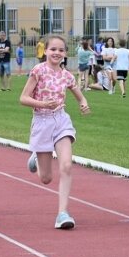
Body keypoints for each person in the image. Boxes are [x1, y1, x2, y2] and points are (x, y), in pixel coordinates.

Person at [21, 35, 89, 230]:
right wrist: (42, 104)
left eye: (60, 50)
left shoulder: (67, 75)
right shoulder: (38, 71)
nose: (57, 53)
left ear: (65, 53)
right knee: (46, 179)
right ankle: (35, 157)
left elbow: (79, 96)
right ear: (45, 51)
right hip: (41, 121)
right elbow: (23, 98)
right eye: (53, 49)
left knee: (66, 165)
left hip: (61, 120)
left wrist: (83, 104)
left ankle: (62, 213)